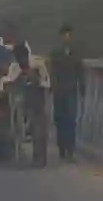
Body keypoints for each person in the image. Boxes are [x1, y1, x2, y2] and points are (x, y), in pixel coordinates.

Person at [48, 24, 86, 161]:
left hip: (71, 90)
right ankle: (62, 148)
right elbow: (51, 71)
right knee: (59, 119)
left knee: (71, 119)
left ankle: (70, 149)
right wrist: (52, 86)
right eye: (64, 35)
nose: (66, 37)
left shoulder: (76, 53)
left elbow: (80, 71)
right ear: (61, 37)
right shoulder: (55, 53)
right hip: (59, 90)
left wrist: (82, 87)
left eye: (68, 35)